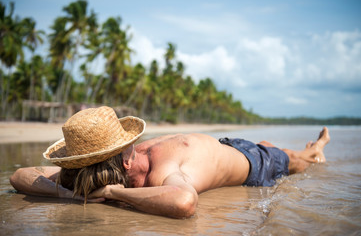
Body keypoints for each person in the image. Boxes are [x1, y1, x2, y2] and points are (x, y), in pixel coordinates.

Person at [10, 106, 330, 219]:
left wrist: (115, 194)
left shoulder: (161, 170)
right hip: (221, 150)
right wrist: (67, 193)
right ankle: (304, 148)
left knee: (298, 161)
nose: (133, 146)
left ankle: (316, 147)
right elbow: (21, 176)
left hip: (253, 164)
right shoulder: (94, 172)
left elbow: (184, 201)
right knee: (275, 148)